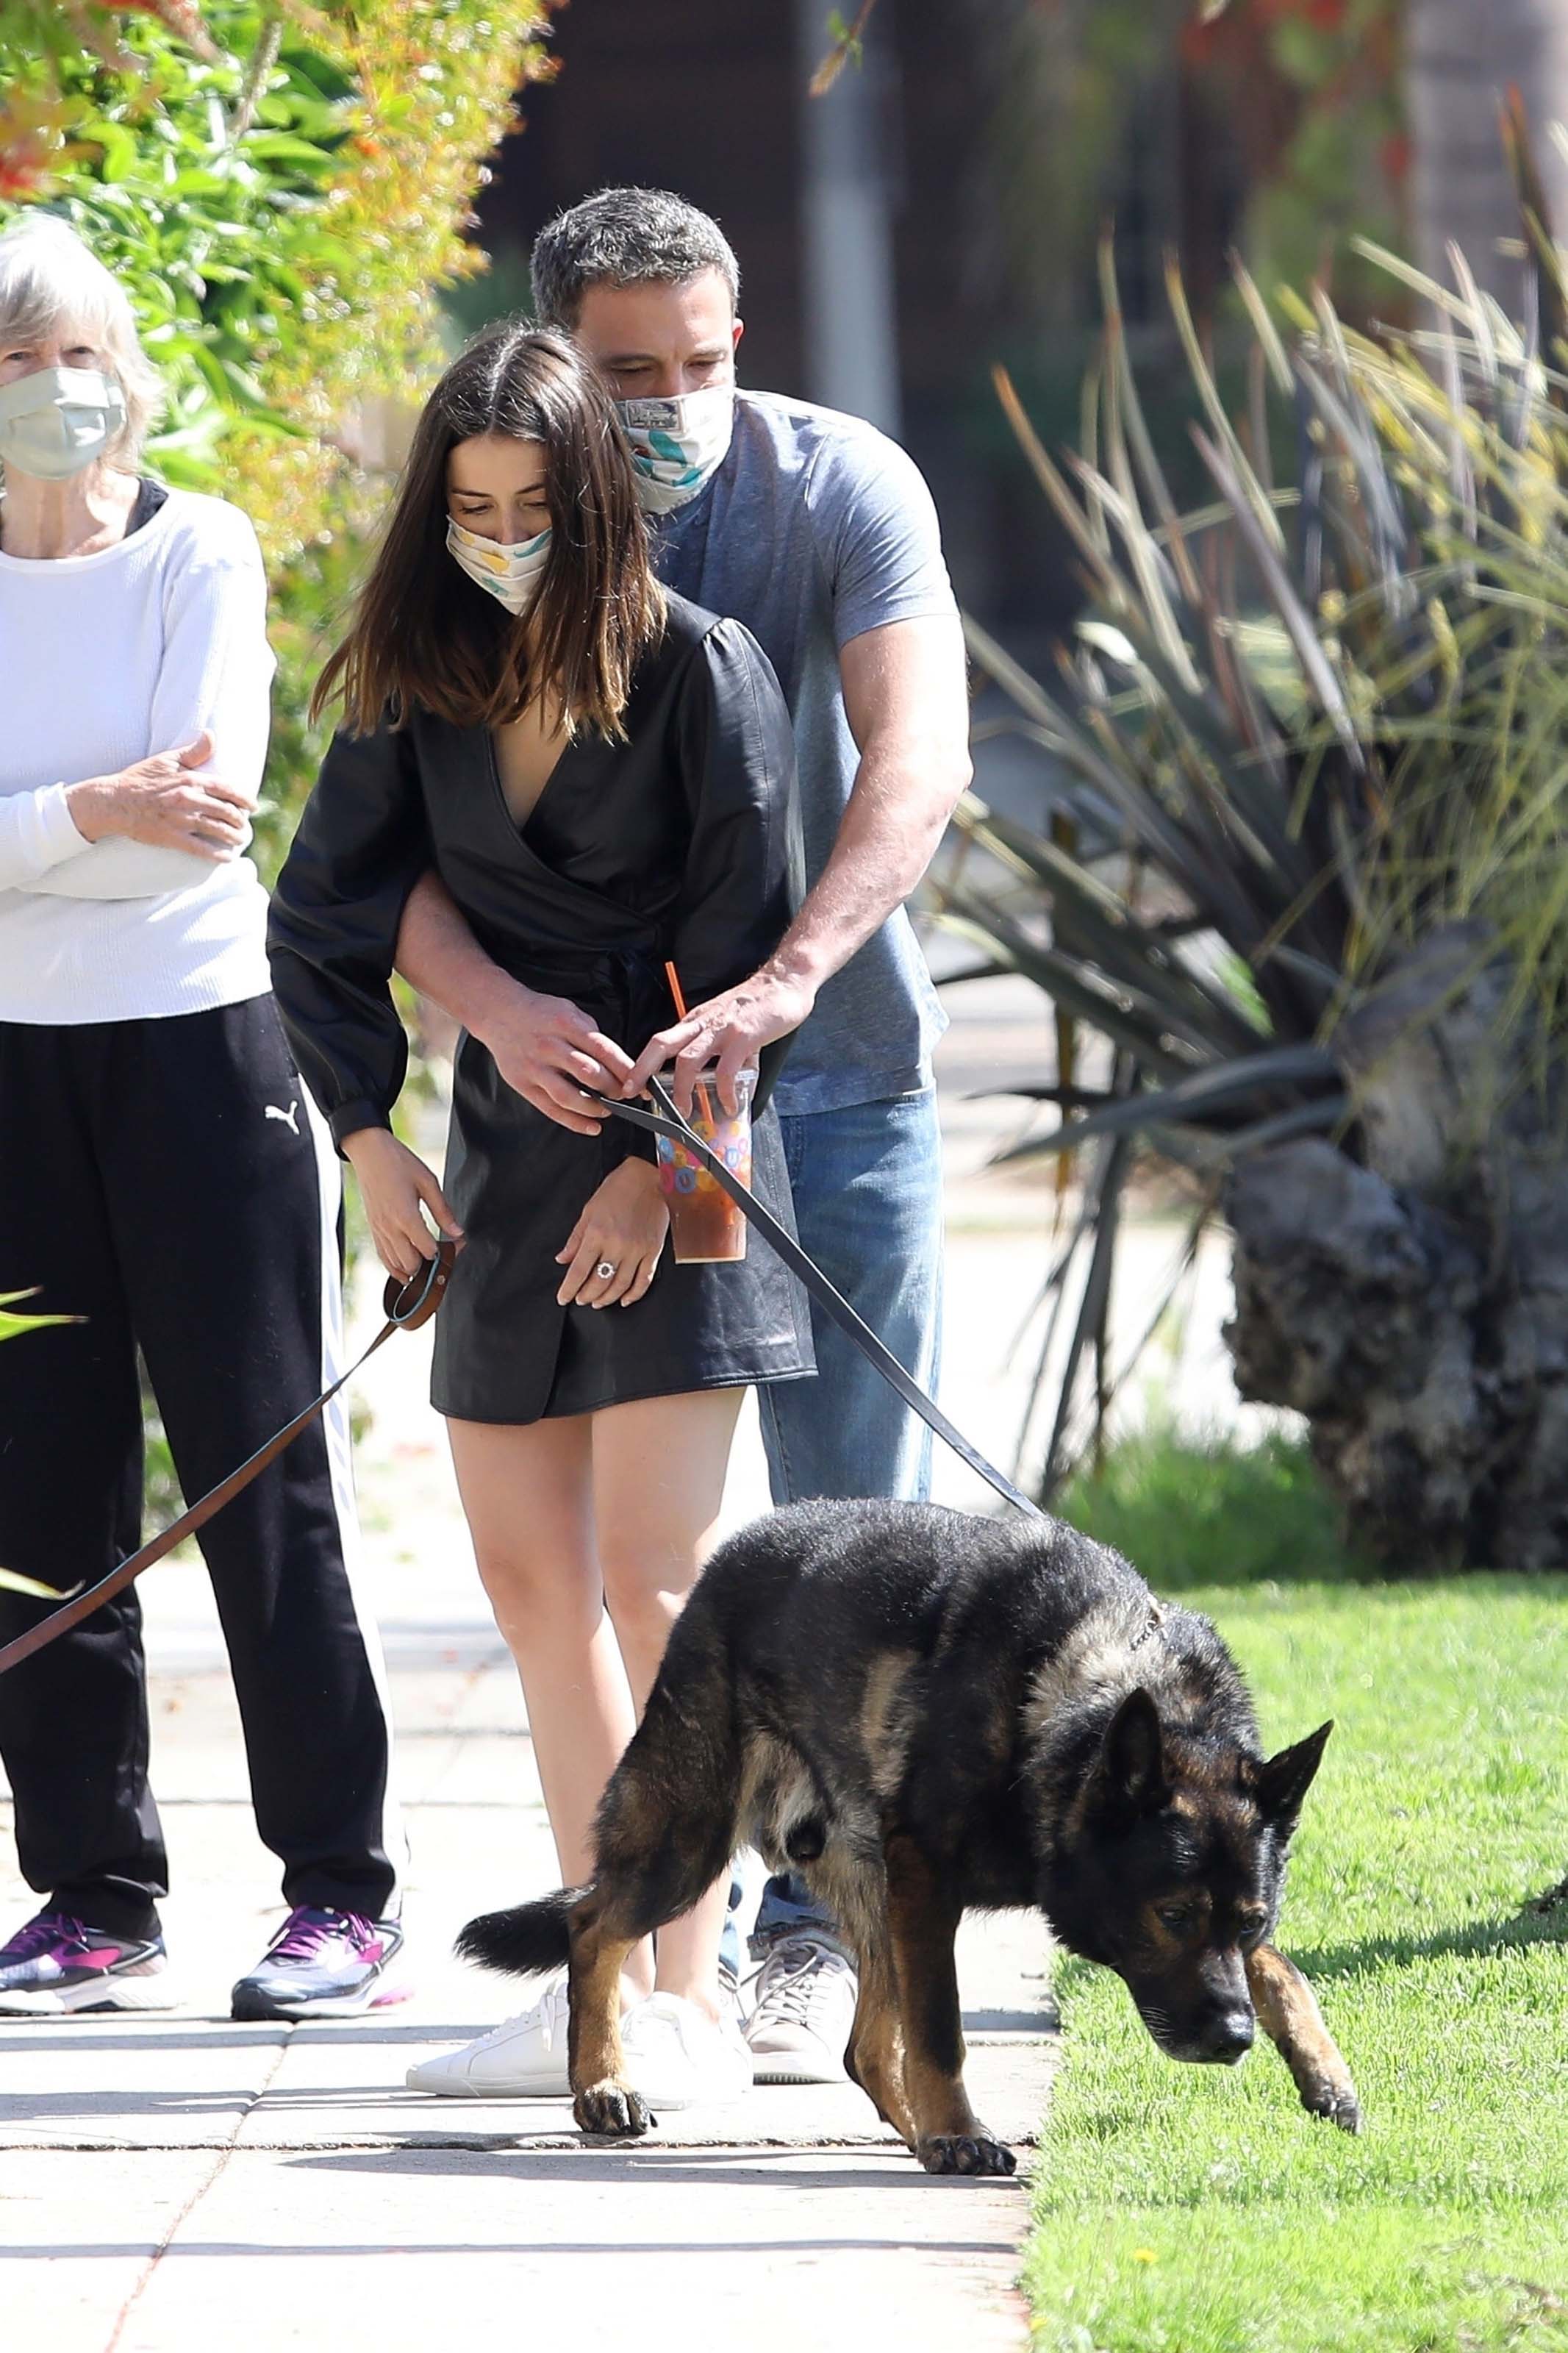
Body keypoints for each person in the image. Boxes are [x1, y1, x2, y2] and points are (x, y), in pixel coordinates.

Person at [393, 188, 972, 2088]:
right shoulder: (500, 516)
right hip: (595, 1124)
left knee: (844, 1546)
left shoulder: (835, 492)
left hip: (834, 1078)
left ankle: (826, 1931)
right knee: (646, 1565)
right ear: (557, 358)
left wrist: (787, 983)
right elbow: (379, 839)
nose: (674, 404)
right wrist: (492, 1031)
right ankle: (677, 1966)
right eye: (628, 372)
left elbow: (917, 755)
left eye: (705, 363)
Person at [266, 323, 813, 2110]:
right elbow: (326, 915)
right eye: (468, 504)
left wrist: (661, 1177)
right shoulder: (415, 678)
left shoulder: (703, 669)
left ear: (592, 506)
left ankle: (694, 1994)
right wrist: (367, 1137)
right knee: (527, 1586)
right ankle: (601, 1984)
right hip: (499, 1173)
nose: (497, 534)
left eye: (530, 506)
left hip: (686, 1169)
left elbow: (746, 965)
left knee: (660, 1586)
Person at [0, 215, 404, 2021]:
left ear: (129, 372)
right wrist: (98, 803)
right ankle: (94, 1891)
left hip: (198, 1049)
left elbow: (216, 802)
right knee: (36, 1482)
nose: (53, 392)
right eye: (15, 363)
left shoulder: (203, 552)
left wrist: (34, 827)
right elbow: (140, 808)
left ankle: (339, 1888)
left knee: (258, 1466)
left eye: (77, 354)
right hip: (12, 1069)